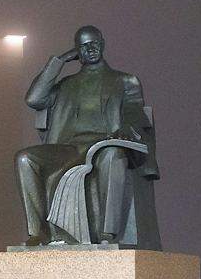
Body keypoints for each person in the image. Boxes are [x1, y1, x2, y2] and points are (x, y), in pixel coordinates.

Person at [15, 25, 160, 248]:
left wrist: (127, 127)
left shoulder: (125, 81)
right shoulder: (66, 84)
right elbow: (33, 99)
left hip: (105, 144)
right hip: (69, 148)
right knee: (25, 158)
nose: (90, 49)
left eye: (93, 43)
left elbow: (135, 111)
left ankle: (108, 234)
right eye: (83, 46)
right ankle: (39, 232)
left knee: (114, 155)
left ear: (102, 44)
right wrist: (59, 61)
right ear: (76, 52)